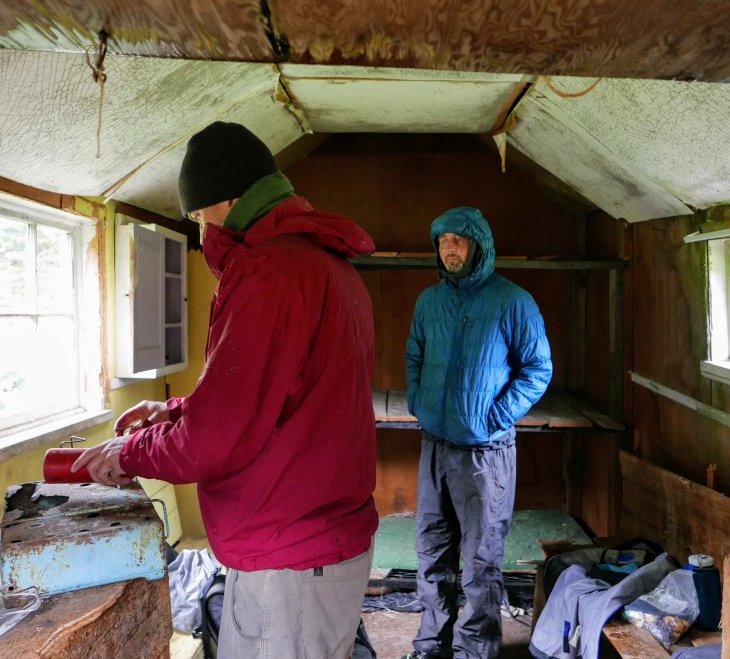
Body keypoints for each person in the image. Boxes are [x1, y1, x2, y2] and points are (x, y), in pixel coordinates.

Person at [72, 121, 379, 658]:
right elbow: (276, 397)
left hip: (287, 555)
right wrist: (174, 411)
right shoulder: (328, 267)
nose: (198, 230)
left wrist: (132, 451)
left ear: (228, 201)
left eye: (196, 215)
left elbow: (216, 439)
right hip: (321, 539)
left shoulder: (269, 273)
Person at [403, 206, 553, 659]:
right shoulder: (429, 302)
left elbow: (537, 369)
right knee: (432, 553)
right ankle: (431, 645)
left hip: (485, 453)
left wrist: (493, 417)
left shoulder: (512, 301)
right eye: (443, 240)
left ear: (479, 247)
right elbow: (413, 356)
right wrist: (419, 402)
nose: (450, 247)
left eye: (459, 240)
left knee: (481, 560)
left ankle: (474, 650)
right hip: (435, 447)